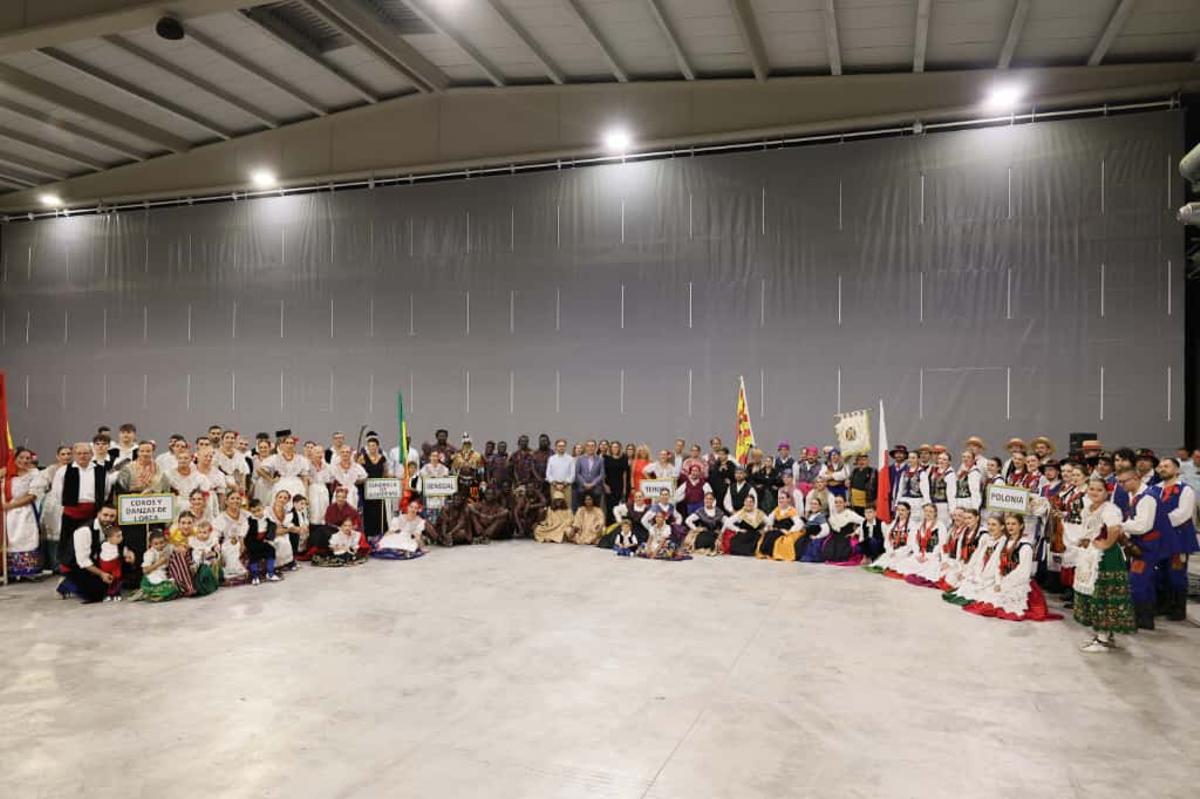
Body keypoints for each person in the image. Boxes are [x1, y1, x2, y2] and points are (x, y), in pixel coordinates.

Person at [1073, 477, 1136, 651]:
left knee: (1103, 594)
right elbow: (1089, 529)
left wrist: (1106, 544)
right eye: (1091, 489)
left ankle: (1102, 639)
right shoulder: (1089, 508)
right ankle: (1104, 635)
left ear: (1107, 492)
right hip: (1091, 555)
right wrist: (1085, 540)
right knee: (1093, 593)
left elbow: (1115, 529)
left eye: (1099, 490)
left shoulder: (1110, 509)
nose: (1094, 492)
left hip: (1106, 557)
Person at [961, 513, 1062, 622]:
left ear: (1021, 526)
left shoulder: (1025, 546)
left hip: (1018, 582)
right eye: (1008, 524)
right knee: (985, 599)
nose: (1010, 527)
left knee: (999, 604)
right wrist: (999, 582)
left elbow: (1023, 573)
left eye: (1014, 524)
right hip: (1003, 580)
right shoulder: (1006, 543)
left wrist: (1004, 584)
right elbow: (998, 565)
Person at [1151, 457, 1197, 621]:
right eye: (1161, 466)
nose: (1162, 468)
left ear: (1177, 470)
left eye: (1167, 466)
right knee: (1160, 572)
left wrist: (1158, 522)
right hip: (1159, 539)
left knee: (1176, 573)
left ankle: (1178, 608)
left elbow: (1183, 514)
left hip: (1178, 539)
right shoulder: (1154, 489)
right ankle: (1163, 605)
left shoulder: (1185, 490)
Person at [1117, 468, 1163, 630]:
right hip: (1141, 544)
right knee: (1145, 582)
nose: (1121, 485)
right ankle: (1145, 619)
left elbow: (1143, 525)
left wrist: (1120, 526)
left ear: (1136, 478)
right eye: (1119, 482)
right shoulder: (1135, 496)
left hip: (1148, 547)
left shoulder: (1147, 498)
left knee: (1139, 581)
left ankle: (1140, 617)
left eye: (1124, 481)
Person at [56, 442, 110, 567]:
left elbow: (105, 492)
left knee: (92, 541)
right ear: (74, 455)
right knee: (69, 541)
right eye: (79, 453)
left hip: (92, 513)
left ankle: (91, 566)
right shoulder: (64, 471)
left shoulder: (101, 471)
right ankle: (69, 567)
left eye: (86, 453)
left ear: (91, 454)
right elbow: (57, 492)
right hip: (72, 512)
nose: (82, 456)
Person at [2, 447, 45, 578]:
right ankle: (10, 571)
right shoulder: (7, 474)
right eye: (21, 458)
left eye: (28, 458)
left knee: (25, 538)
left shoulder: (34, 474)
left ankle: (27, 571)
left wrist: (10, 505)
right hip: (7, 513)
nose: (25, 461)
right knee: (9, 540)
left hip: (24, 512)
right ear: (14, 459)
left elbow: (32, 496)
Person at [867, 501, 913, 574]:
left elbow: (911, 544)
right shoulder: (893, 523)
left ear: (908, 511)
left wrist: (898, 552)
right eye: (898, 510)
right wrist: (890, 550)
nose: (900, 512)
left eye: (903, 510)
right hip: (892, 551)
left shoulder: (912, 525)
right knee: (880, 564)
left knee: (897, 567)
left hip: (903, 553)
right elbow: (887, 539)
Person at [244, 499, 281, 585]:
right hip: (252, 541)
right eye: (254, 512)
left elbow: (273, 526)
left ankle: (270, 573)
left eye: (259, 510)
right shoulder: (249, 521)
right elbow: (243, 533)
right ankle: (255, 575)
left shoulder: (267, 518)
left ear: (263, 508)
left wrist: (269, 538)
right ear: (250, 511)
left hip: (263, 540)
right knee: (254, 555)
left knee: (271, 550)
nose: (257, 513)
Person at [138, 530, 182, 602]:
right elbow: (145, 570)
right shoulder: (149, 553)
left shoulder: (167, 548)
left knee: (176, 587)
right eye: (156, 544)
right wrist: (159, 563)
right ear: (151, 544)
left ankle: (156, 595)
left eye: (161, 543)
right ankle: (151, 593)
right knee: (166, 587)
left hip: (164, 575)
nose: (159, 546)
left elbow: (177, 549)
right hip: (153, 577)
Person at [360, 436, 390, 537]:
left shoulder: (383, 458)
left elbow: (385, 473)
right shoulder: (363, 458)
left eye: (373, 445)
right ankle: (369, 533)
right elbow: (358, 471)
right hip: (367, 489)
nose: (371, 447)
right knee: (369, 511)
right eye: (369, 446)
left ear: (377, 446)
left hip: (379, 489)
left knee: (380, 510)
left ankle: (380, 533)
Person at [823, 494, 865, 565]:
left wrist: (856, 532)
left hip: (846, 539)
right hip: (835, 539)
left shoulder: (850, 514)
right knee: (828, 553)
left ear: (845, 503)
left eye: (840, 502)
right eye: (836, 502)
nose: (838, 504)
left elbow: (864, 522)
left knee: (843, 555)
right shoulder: (832, 515)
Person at [760, 489, 800, 560]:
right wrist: (768, 527)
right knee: (768, 534)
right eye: (779, 498)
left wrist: (789, 531)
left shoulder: (792, 511)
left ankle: (770, 552)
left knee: (774, 535)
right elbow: (769, 521)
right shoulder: (776, 510)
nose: (780, 500)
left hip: (785, 530)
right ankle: (765, 552)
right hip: (776, 529)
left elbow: (798, 524)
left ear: (788, 500)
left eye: (783, 498)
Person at [188, 520, 220, 596]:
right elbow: (191, 551)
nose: (201, 535)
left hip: (208, 560)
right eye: (199, 532)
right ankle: (197, 580)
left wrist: (213, 554)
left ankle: (212, 581)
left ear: (209, 533)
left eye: (204, 532)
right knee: (195, 563)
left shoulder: (212, 541)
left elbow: (217, 552)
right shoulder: (194, 541)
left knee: (213, 562)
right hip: (197, 560)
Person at [573, 440, 604, 511]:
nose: (590, 448)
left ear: (595, 447)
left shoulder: (600, 459)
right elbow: (577, 473)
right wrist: (584, 483)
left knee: (596, 509)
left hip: (595, 489)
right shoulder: (580, 459)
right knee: (581, 509)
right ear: (586, 447)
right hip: (582, 488)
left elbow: (601, 474)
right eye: (588, 446)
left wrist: (593, 484)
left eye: (592, 446)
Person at [602, 441, 629, 522]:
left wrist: (624, 489)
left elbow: (624, 474)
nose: (615, 449)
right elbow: (602, 473)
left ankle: (618, 526)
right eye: (613, 447)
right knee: (609, 507)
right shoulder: (606, 458)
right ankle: (609, 526)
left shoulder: (624, 458)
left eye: (617, 447)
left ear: (619, 448)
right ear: (610, 448)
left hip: (619, 486)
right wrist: (604, 485)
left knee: (618, 508)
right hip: (609, 486)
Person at [97, 525, 126, 601]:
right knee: (106, 581)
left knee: (116, 580)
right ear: (109, 538)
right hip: (105, 567)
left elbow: (121, 555)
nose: (121, 538)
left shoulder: (119, 547)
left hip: (115, 567)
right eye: (118, 536)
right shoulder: (103, 546)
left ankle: (116, 593)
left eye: (121, 535)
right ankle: (106, 594)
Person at [545, 438, 575, 505]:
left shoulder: (570, 459)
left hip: (566, 486)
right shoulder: (551, 459)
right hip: (554, 486)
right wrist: (555, 484)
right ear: (556, 447)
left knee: (567, 506)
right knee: (555, 506)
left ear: (565, 447)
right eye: (559, 446)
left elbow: (572, 474)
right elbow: (548, 474)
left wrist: (564, 484)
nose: (561, 448)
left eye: (563, 446)